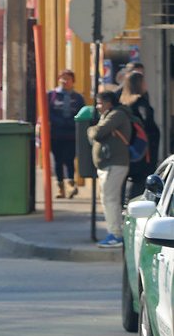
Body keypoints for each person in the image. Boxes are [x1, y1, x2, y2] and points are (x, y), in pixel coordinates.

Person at [87, 91, 131, 249]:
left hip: (114, 164)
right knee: (108, 199)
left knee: (110, 199)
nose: (98, 107)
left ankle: (116, 234)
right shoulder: (108, 115)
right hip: (108, 165)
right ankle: (115, 232)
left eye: (100, 103)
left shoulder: (116, 115)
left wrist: (91, 130)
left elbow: (97, 132)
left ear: (109, 103)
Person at [121, 71, 160, 202]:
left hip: (133, 146)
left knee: (133, 177)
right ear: (139, 84)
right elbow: (146, 120)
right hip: (146, 149)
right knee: (142, 179)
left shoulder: (124, 102)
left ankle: (128, 202)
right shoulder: (140, 101)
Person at [48, 69, 85, 199]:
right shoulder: (52, 95)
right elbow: (47, 113)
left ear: (73, 81)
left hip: (71, 134)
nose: (64, 81)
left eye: (67, 78)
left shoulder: (78, 97)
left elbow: (82, 114)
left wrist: (71, 122)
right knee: (58, 161)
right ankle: (60, 188)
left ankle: (70, 185)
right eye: (62, 78)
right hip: (56, 134)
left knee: (69, 159)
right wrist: (58, 121)